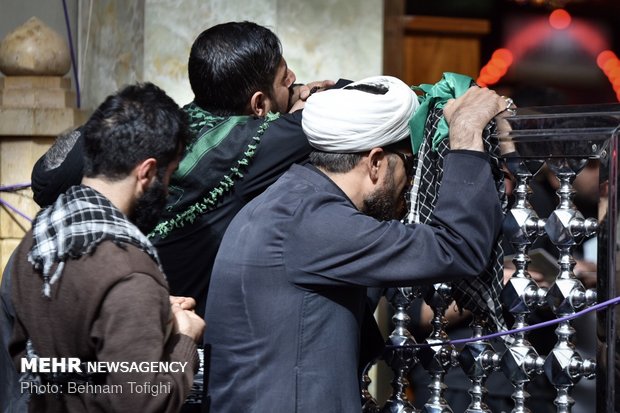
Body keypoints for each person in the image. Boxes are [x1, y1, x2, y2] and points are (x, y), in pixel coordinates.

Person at [203, 75, 509, 412]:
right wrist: (465, 136)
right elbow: (457, 248)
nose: (409, 184)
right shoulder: (314, 222)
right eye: (407, 164)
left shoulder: (295, 201)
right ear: (376, 162)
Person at [30, 21, 334, 318]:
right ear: (258, 105)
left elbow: (45, 178)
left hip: (98, 307)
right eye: (285, 79)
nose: (294, 78)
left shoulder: (165, 126)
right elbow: (353, 103)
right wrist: (304, 96)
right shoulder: (259, 143)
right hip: (172, 324)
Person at [8, 82, 205, 413]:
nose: (168, 190)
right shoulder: (129, 272)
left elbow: (25, 359)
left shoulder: (39, 236)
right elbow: (141, 403)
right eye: (169, 176)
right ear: (148, 172)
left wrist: (149, 315)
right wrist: (184, 339)